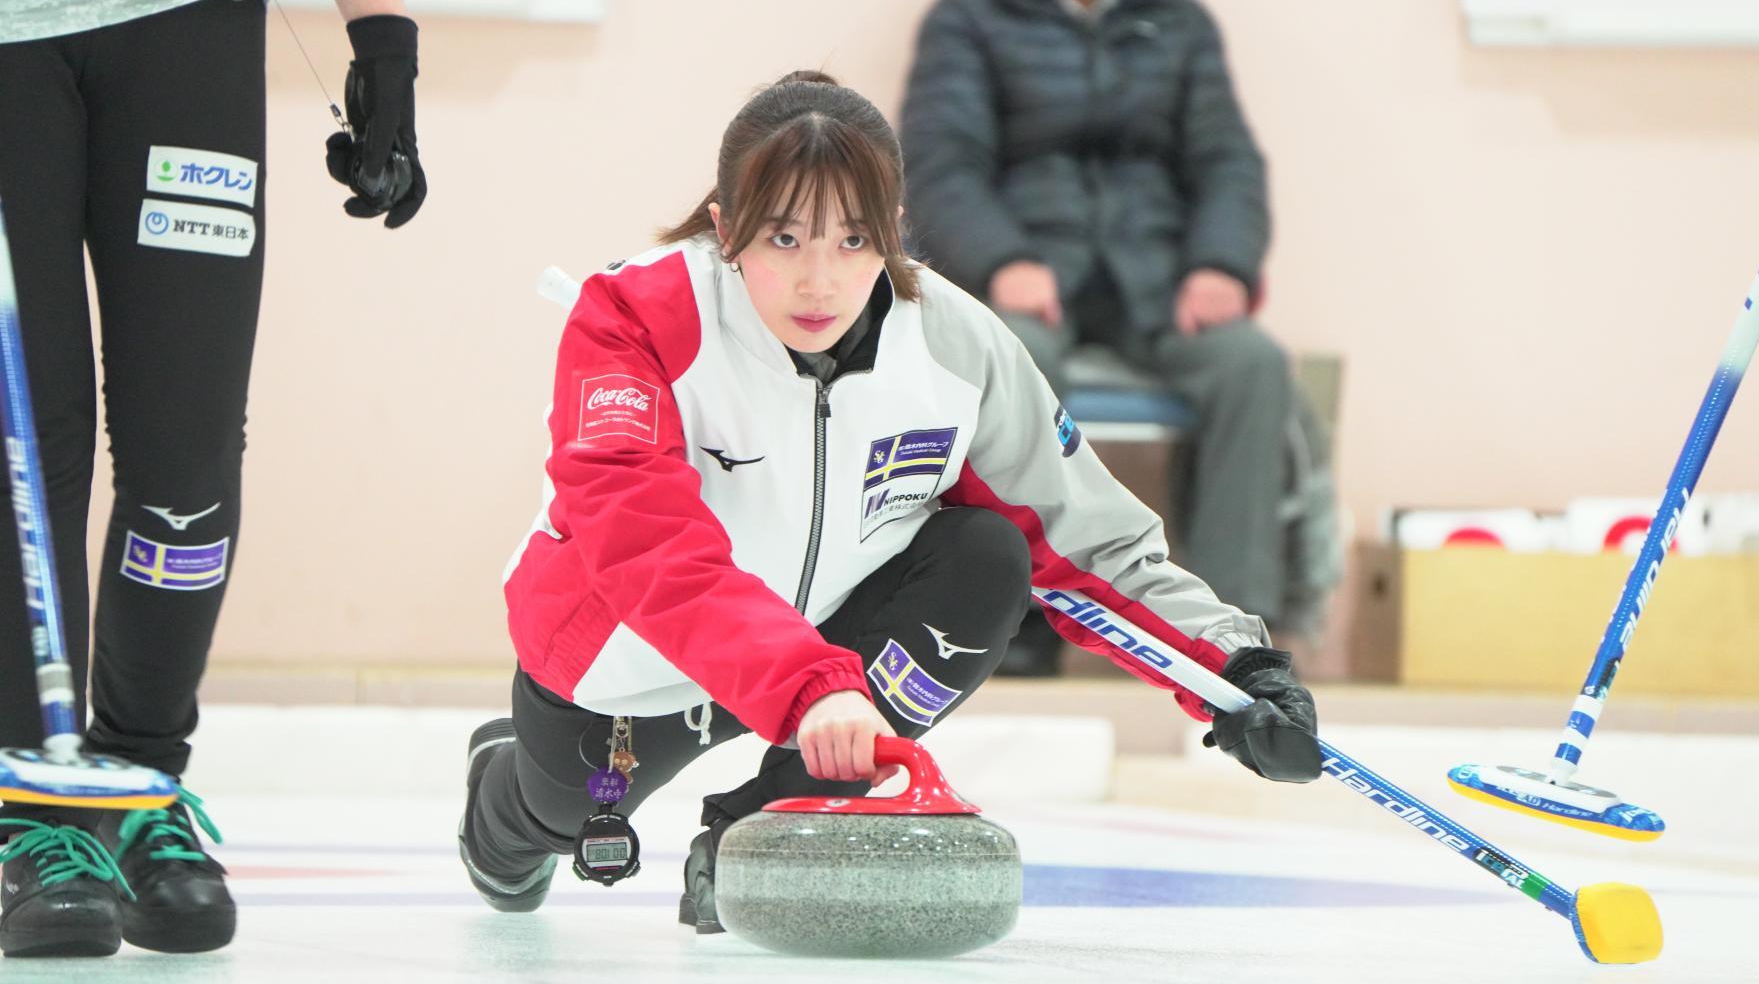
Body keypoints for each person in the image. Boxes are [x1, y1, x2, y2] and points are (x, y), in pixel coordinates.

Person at [458, 72, 1322, 933]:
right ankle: (502, 797)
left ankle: (763, 834)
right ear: (726, 228)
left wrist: (1234, 673)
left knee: (988, 557)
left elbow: (1083, 535)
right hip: (629, 667)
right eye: (783, 238)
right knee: (547, 823)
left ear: (895, 235)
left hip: (822, 675)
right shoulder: (634, 319)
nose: (819, 282)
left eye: (854, 240)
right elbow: (644, 547)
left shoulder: (956, 346)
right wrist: (809, 686)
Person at [0, 0, 429, 959]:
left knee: (185, 451)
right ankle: (31, 807)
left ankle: (141, 781)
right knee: (22, 450)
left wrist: (380, 31)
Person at [899, 0, 1288, 675]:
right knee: (1016, 365)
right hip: (1028, 283)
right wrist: (1001, 259)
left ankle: (1233, 645)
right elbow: (940, 165)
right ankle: (1017, 621)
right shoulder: (967, 19)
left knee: (1253, 363)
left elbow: (1227, 162)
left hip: (1160, 282)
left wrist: (1220, 263)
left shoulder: (1182, 25)